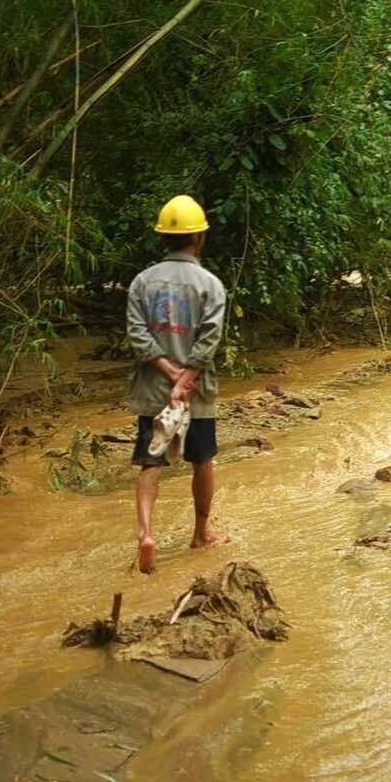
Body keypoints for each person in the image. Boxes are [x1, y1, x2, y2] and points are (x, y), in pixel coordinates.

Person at [125, 195, 228, 575]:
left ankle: (145, 534)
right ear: (199, 237)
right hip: (196, 393)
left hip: (153, 389)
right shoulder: (210, 284)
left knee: (150, 463)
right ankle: (201, 532)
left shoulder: (141, 282)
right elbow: (210, 336)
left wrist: (168, 373)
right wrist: (186, 379)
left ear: (163, 238)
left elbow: (136, 334)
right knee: (202, 460)